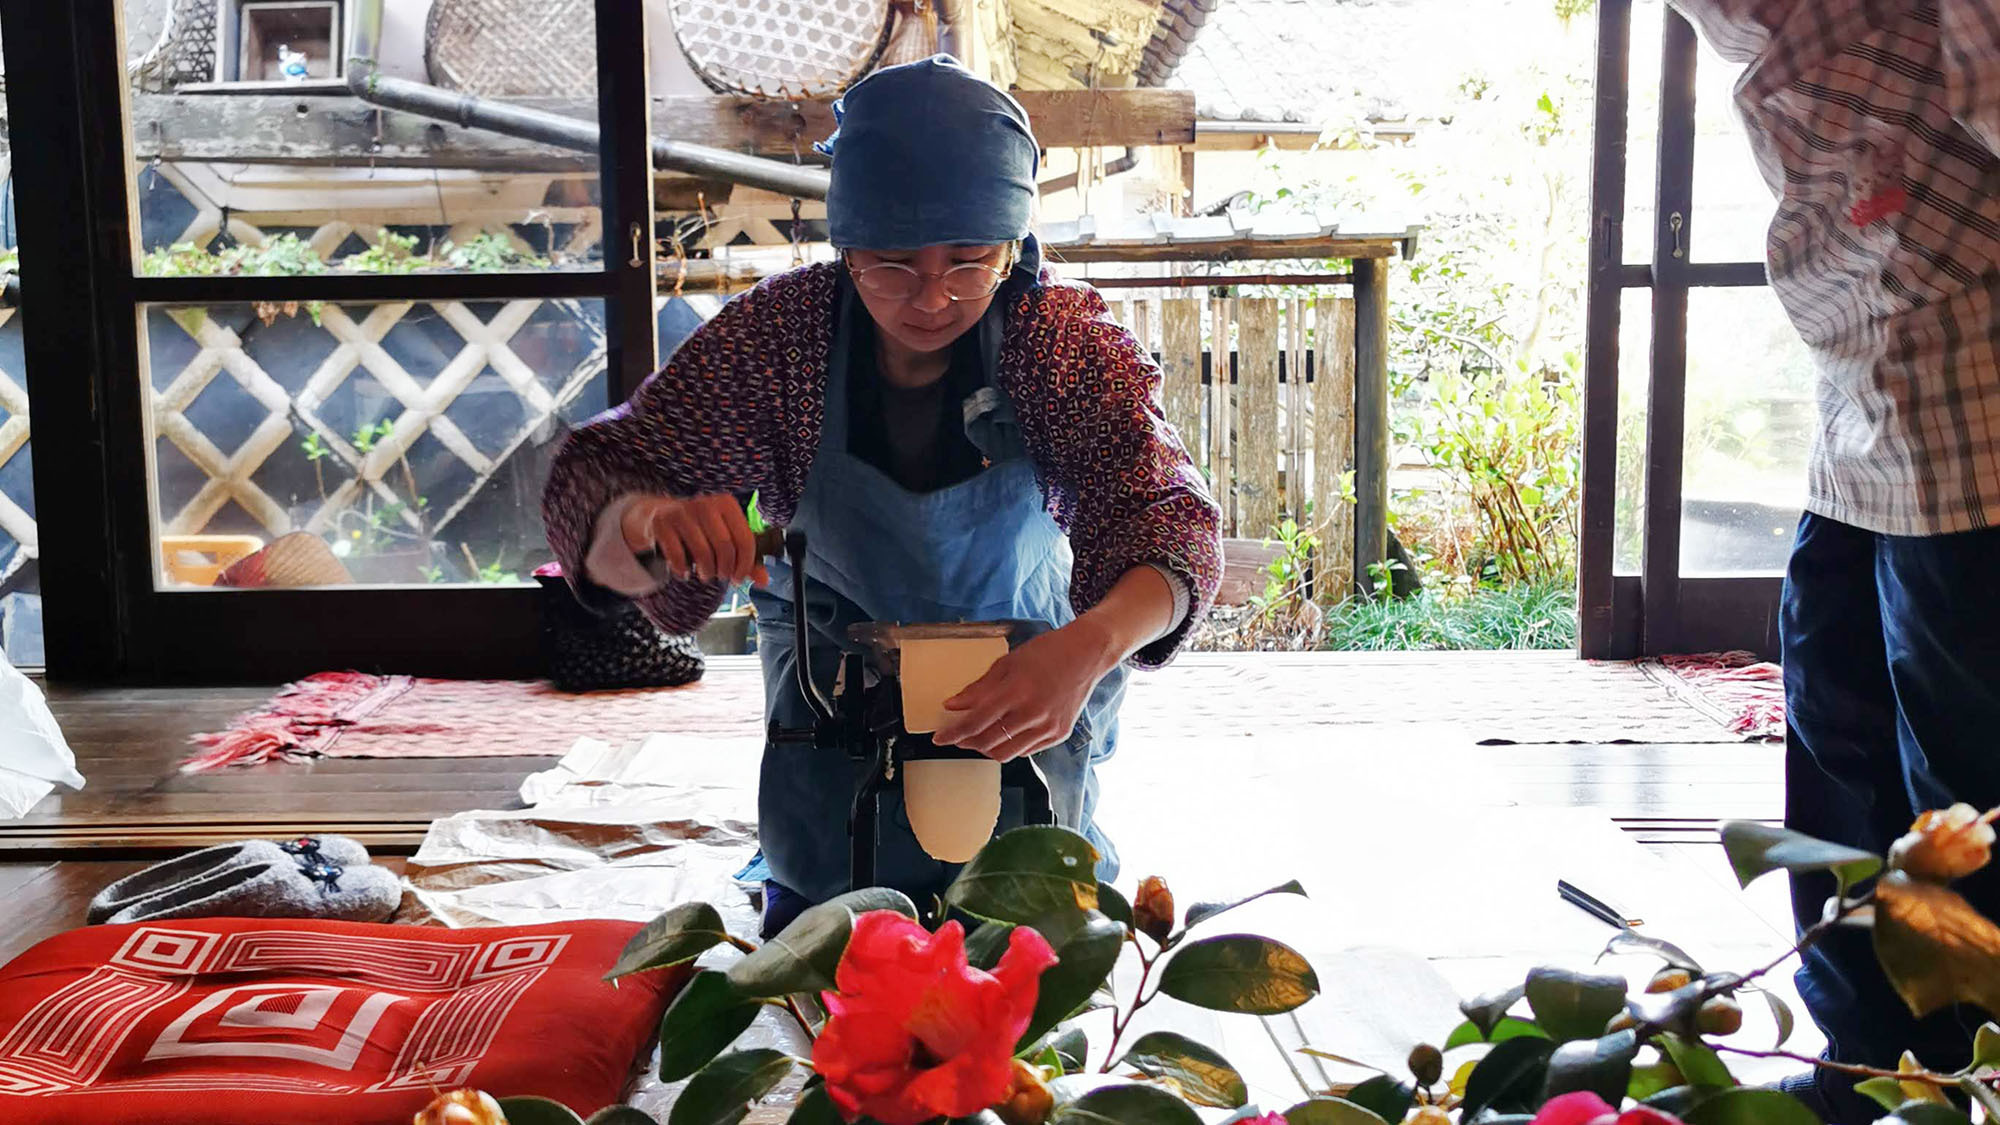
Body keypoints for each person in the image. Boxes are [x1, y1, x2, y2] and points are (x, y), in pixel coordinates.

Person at [541, 55, 1222, 938]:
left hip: (1027, 671)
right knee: (830, 926)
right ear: (845, 244)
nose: (932, 297)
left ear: (1014, 245)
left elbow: (1169, 522)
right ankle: (811, 871)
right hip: (835, 682)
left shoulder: (1060, 344)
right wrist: (649, 521)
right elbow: (600, 486)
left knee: (1025, 921)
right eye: (892, 264)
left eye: (968, 260)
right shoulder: (781, 338)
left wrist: (1088, 647)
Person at [1669, 1, 2000, 1116]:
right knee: (1838, 784)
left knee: (1960, 813)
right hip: (1857, 399)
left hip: (1978, 396)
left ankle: (1962, 1091)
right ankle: (1862, 1078)